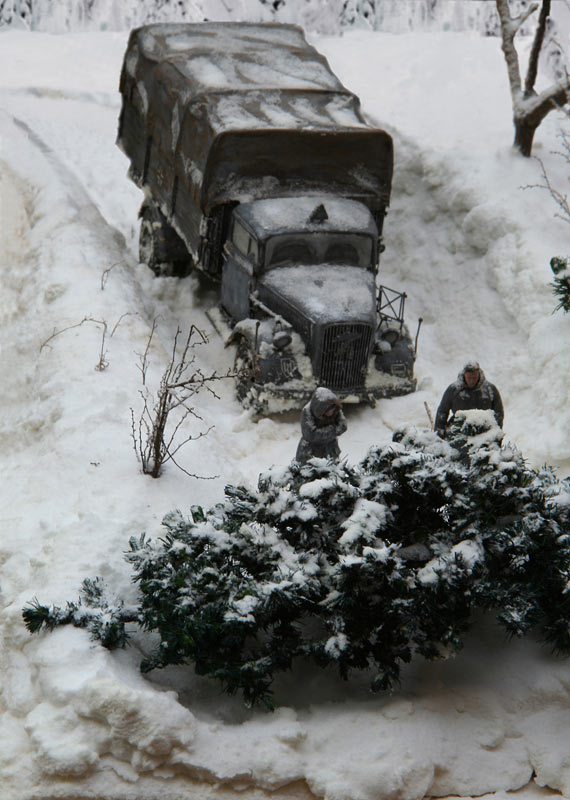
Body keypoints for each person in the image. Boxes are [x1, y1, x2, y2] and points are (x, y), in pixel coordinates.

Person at [435, 359, 504, 437]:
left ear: (479, 374)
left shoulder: (490, 390)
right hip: (458, 432)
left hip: (483, 433)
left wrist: (496, 433)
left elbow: (498, 413)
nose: (471, 381)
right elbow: (442, 411)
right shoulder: (453, 389)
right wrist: (439, 431)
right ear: (464, 374)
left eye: (474, 378)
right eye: (469, 377)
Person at [295, 387, 347, 464]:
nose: (331, 413)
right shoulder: (307, 412)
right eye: (328, 410)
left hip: (330, 449)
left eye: (332, 410)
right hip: (310, 452)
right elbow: (311, 435)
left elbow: (343, 426)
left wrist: (325, 432)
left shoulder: (336, 410)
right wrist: (332, 430)